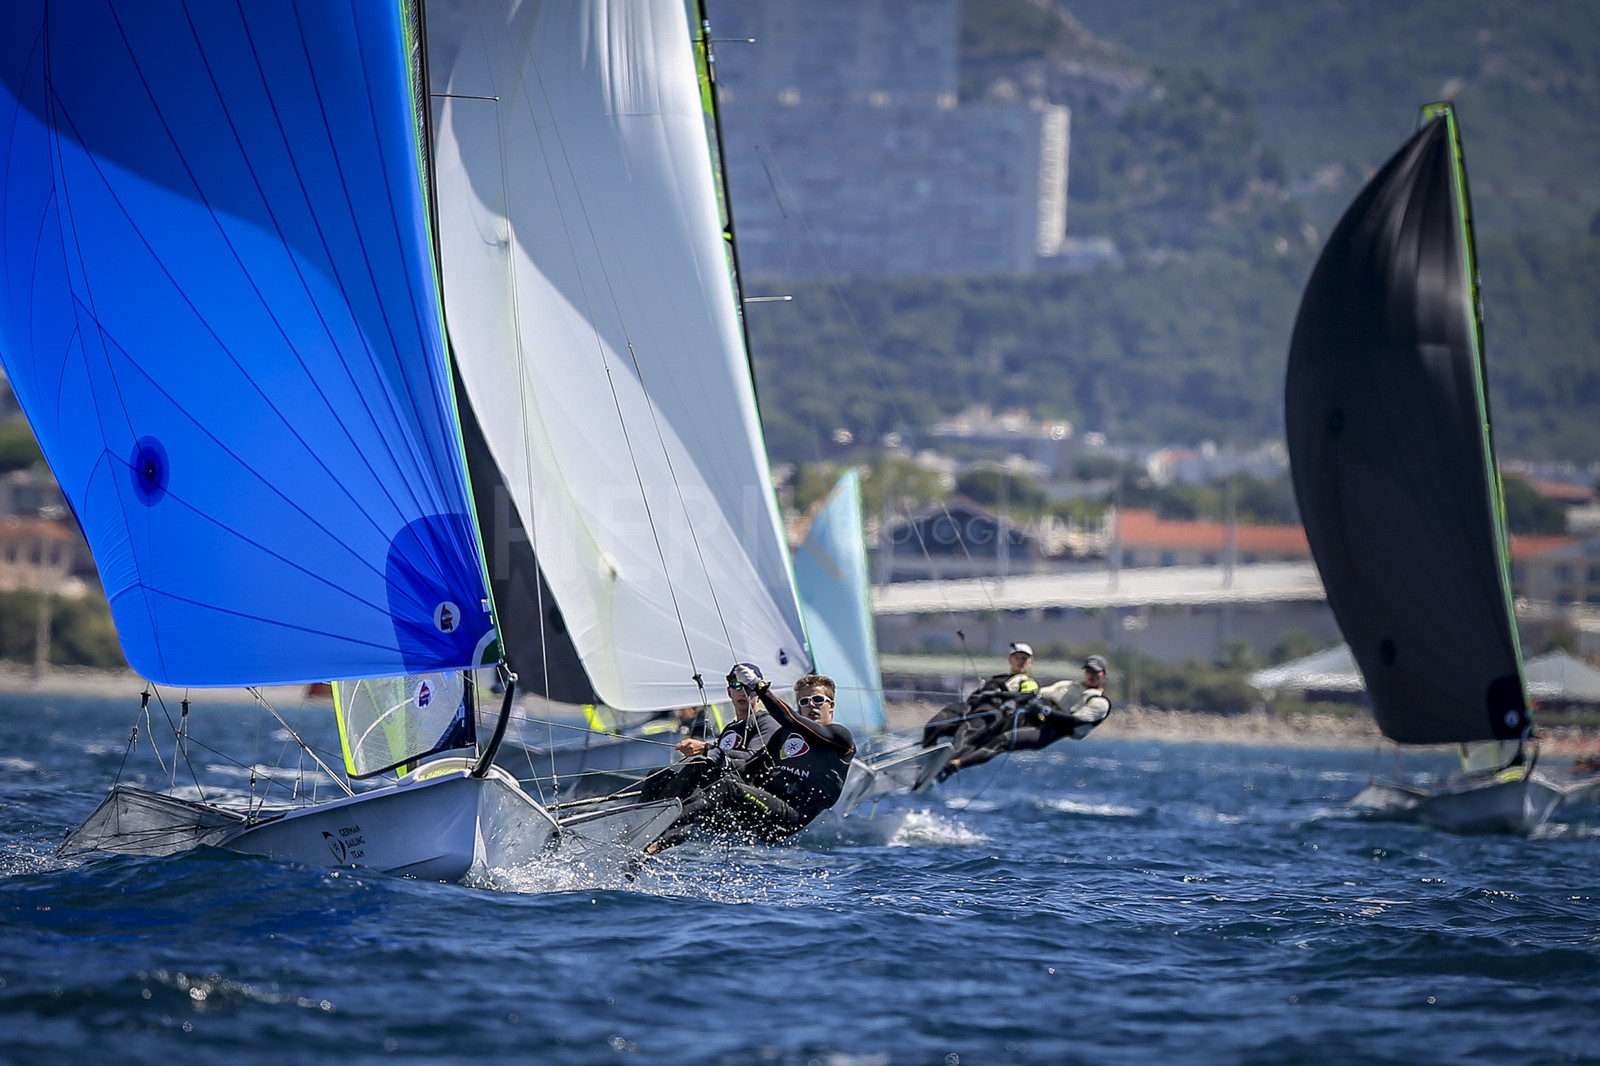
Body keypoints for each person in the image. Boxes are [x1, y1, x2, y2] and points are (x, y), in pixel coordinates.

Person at [645, 665, 856, 852]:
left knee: (728, 788)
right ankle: (643, 842)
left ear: (831, 705)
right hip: (757, 812)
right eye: (805, 701)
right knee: (666, 776)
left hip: (787, 818)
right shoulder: (784, 735)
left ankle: (655, 824)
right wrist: (711, 753)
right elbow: (751, 764)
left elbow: (789, 719)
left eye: (818, 700)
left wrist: (759, 687)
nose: (812, 706)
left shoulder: (839, 737)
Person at [941, 655, 1112, 777]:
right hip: (1034, 719)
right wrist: (1006, 697)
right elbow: (1037, 694)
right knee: (991, 729)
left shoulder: (1100, 703)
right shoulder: (1066, 685)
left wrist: (1046, 712)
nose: (1091, 675)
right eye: (1089, 671)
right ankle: (948, 757)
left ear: (1104, 674)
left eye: (1096, 672)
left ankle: (955, 766)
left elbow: (1075, 721)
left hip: (1051, 732)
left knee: (1002, 741)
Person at [634, 668, 778, 805]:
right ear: (729, 692)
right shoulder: (731, 728)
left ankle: (664, 813)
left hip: (741, 792)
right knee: (658, 776)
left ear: (759, 694)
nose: (742, 692)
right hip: (714, 788)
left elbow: (752, 759)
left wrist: (705, 748)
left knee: (699, 765)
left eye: (749, 687)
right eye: (736, 685)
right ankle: (643, 815)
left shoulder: (766, 721)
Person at [922, 641, 1040, 750]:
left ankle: (953, 760)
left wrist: (1000, 695)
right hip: (971, 707)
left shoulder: (1028, 682)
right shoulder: (998, 678)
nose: (1020, 661)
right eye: (1017, 657)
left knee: (964, 732)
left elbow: (1026, 695)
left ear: (1030, 662)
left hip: (991, 713)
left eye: (1024, 658)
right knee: (936, 723)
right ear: (1010, 660)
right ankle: (926, 753)